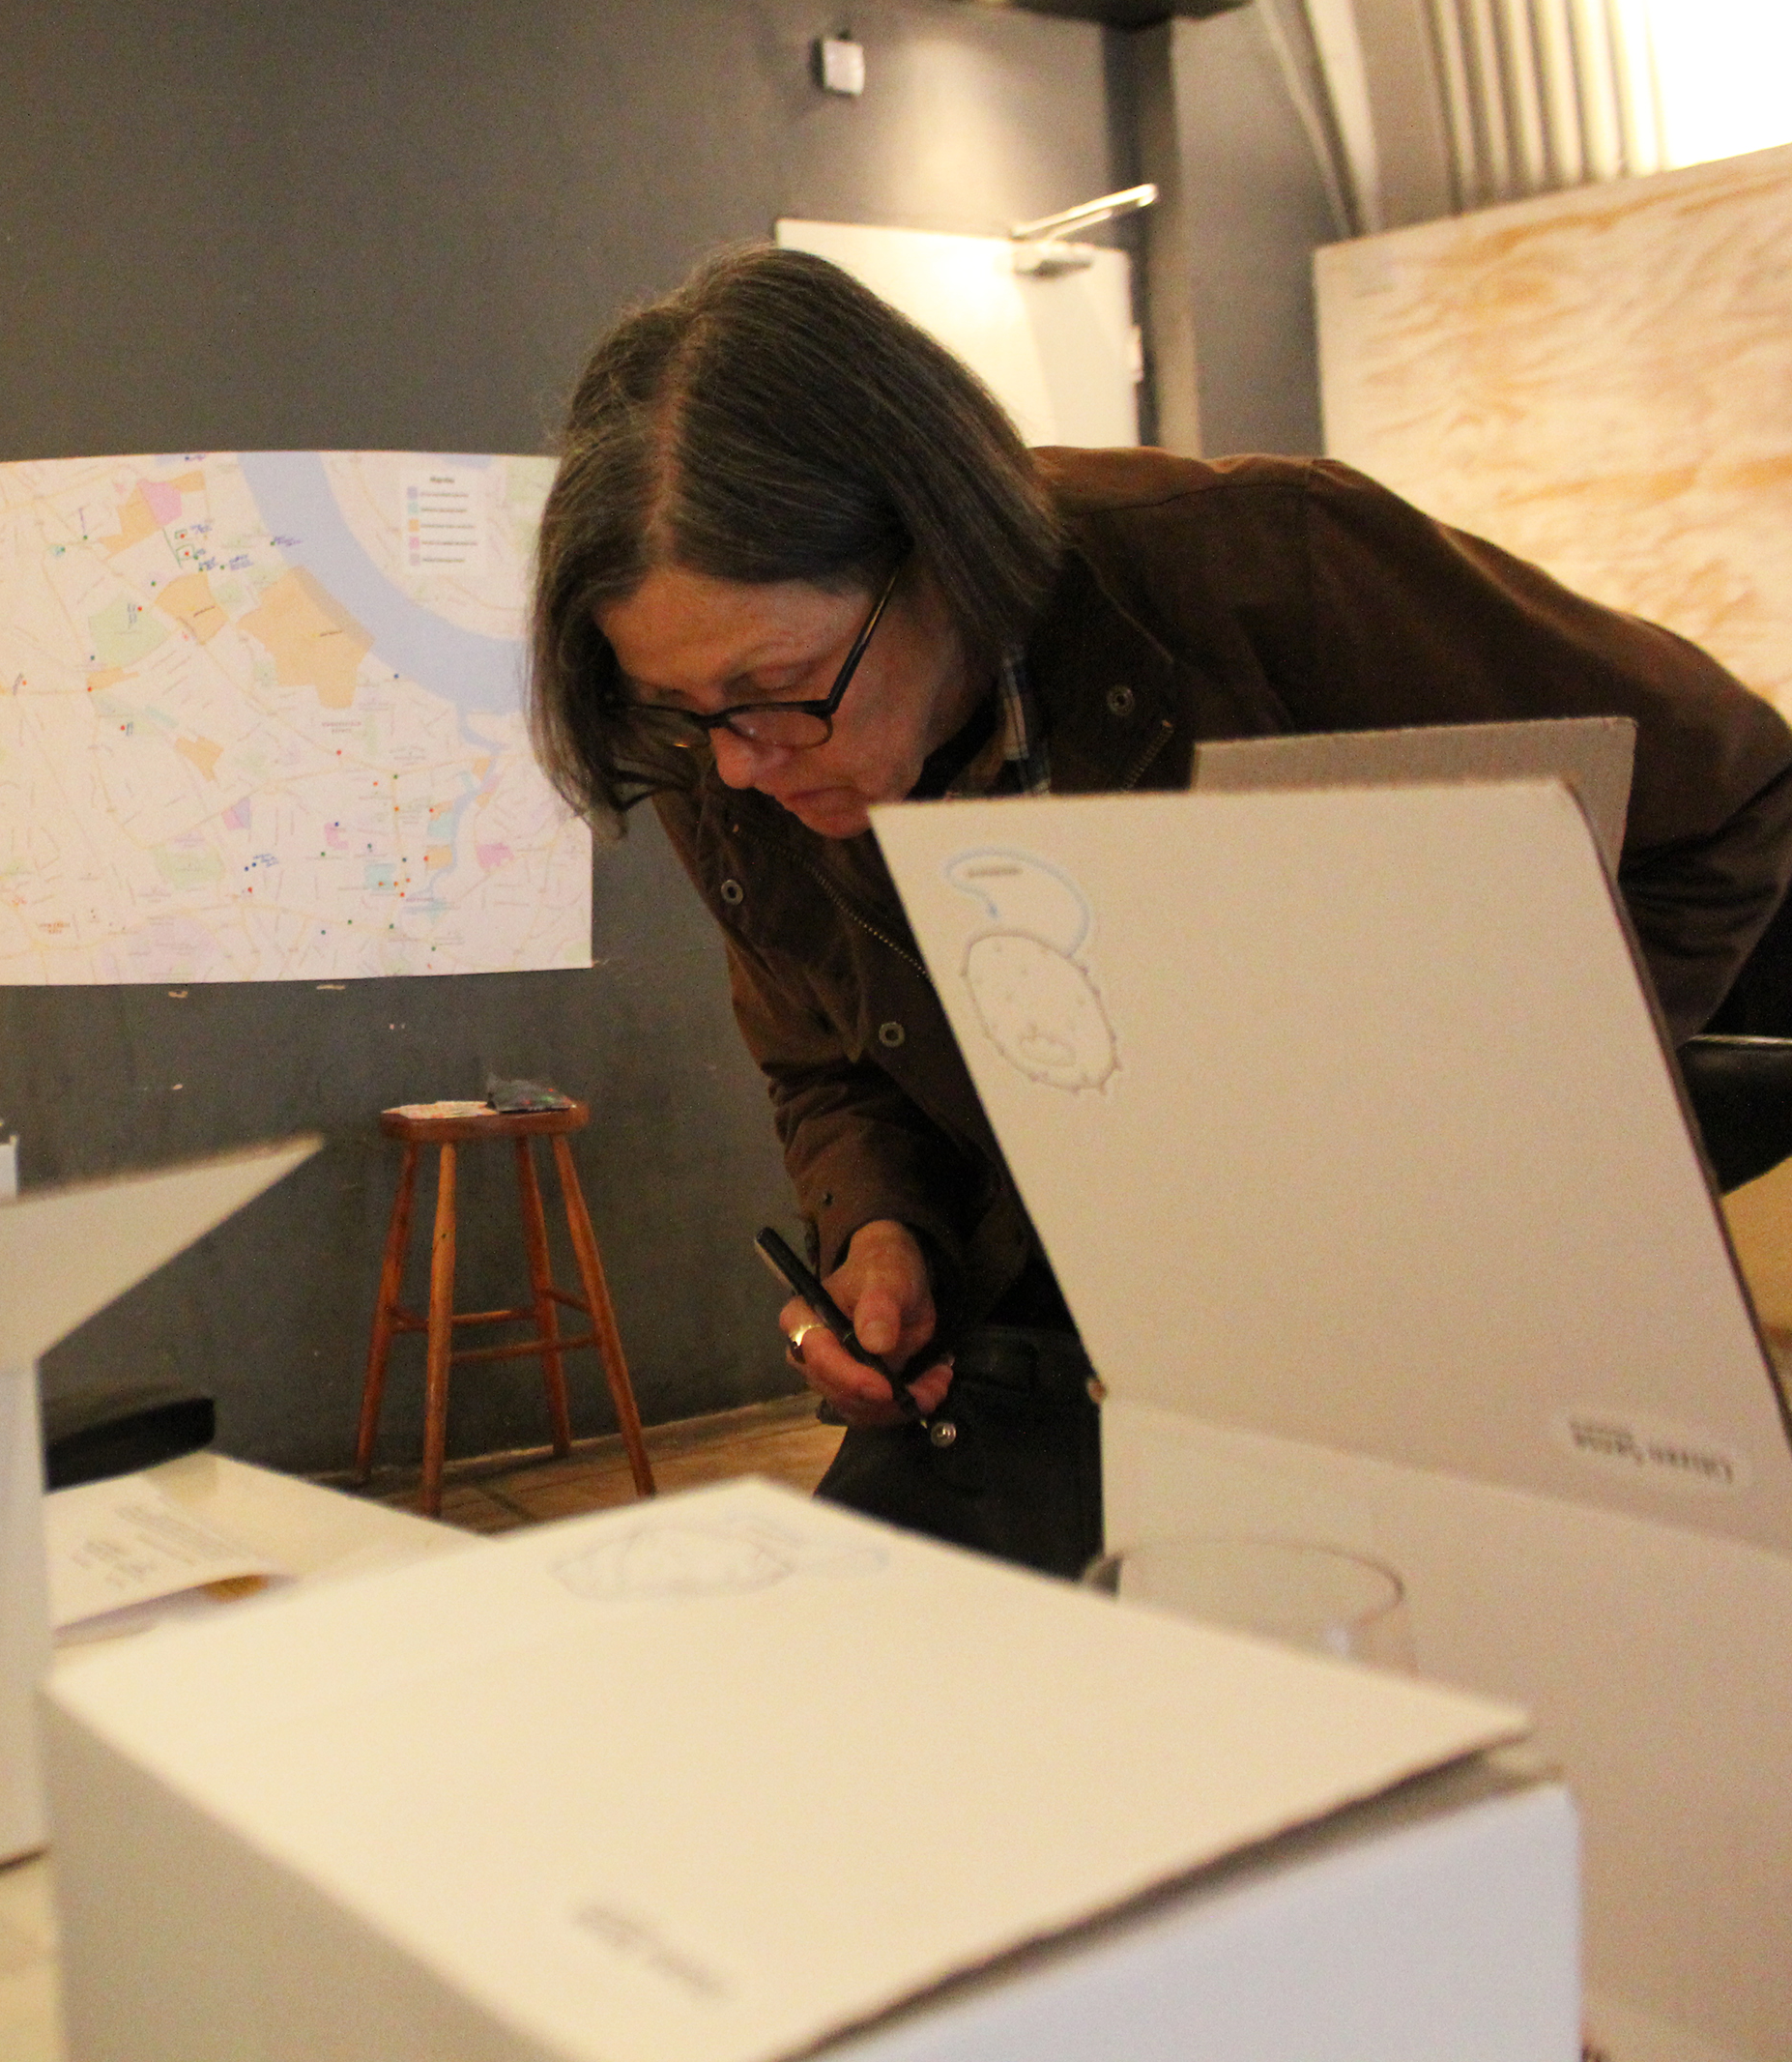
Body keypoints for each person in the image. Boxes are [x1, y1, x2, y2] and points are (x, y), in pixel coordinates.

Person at [530, 245, 1792, 1577]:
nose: (736, 767)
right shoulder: (722, 742)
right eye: (678, 712)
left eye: (773, 686)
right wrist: (880, 1231)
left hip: (1415, 1316)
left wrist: (1485, 1129)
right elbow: (826, 1059)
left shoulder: (1265, 571)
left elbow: (1737, 795)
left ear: (937, 549)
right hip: (1065, 1338)